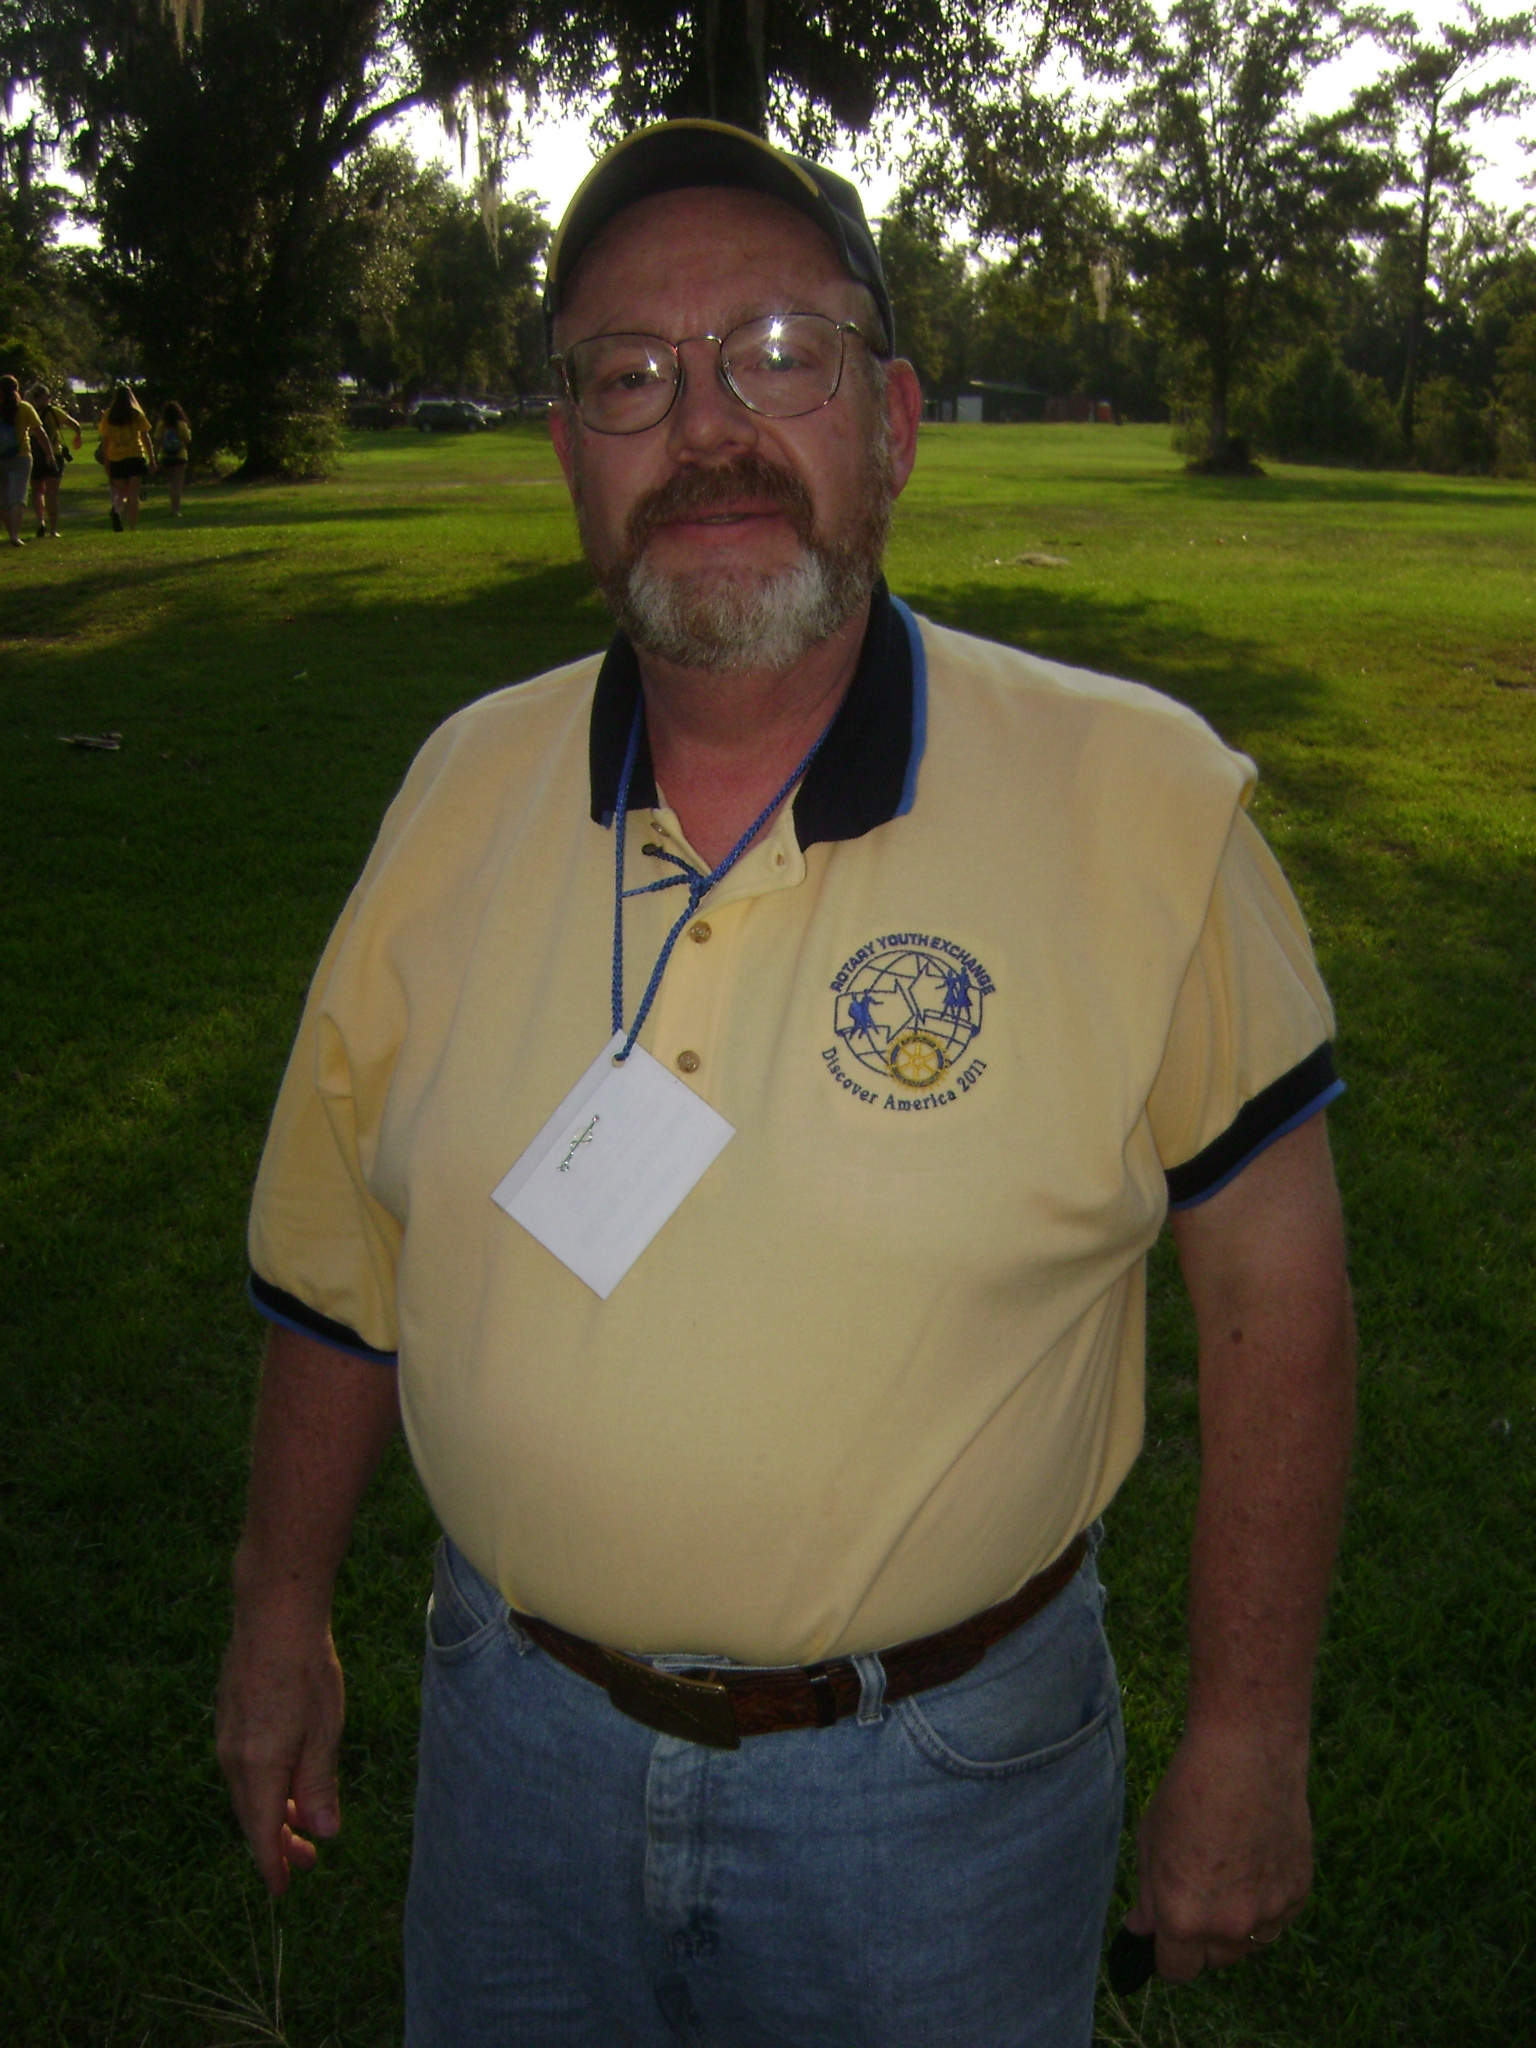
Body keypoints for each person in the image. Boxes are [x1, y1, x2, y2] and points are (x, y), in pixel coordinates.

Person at [217, 121, 1356, 2048]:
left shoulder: (1146, 803)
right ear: (568, 450)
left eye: (777, 355)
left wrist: (1249, 1729)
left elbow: (1278, 1300)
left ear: (891, 421)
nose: (707, 430)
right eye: (630, 376)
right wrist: (276, 1610)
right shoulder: (458, 789)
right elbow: (342, 1260)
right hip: (512, 1746)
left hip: (938, 1801)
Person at [27, 383, 83, 538]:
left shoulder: (27, 411)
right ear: (44, 397)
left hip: (33, 454)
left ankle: (40, 522)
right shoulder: (54, 412)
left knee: (37, 491)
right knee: (52, 493)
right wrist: (78, 438)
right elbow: (75, 425)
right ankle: (53, 529)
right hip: (54, 453)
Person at [98, 382, 155, 531]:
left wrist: (107, 461)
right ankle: (133, 527)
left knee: (121, 492)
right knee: (133, 493)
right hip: (135, 456)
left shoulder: (109, 415)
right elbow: (145, 437)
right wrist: (152, 458)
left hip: (116, 458)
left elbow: (105, 440)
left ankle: (116, 510)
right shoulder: (136, 414)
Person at [0, 374, 49, 548]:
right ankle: (15, 535)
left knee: (3, 498)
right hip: (21, 456)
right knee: (18, 497)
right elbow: (40, 432)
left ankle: (9, 533)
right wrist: (49, 454)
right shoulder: (24, 407)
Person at [156, 400, 191, 514]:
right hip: (180, 456)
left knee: (171, 484)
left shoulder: (161, 425)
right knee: (177, 484)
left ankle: (172, 507)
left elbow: (158, 440)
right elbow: (188, 440)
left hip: (166, 457)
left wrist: (156, 456)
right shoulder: (182, 425)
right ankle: (175, 509)